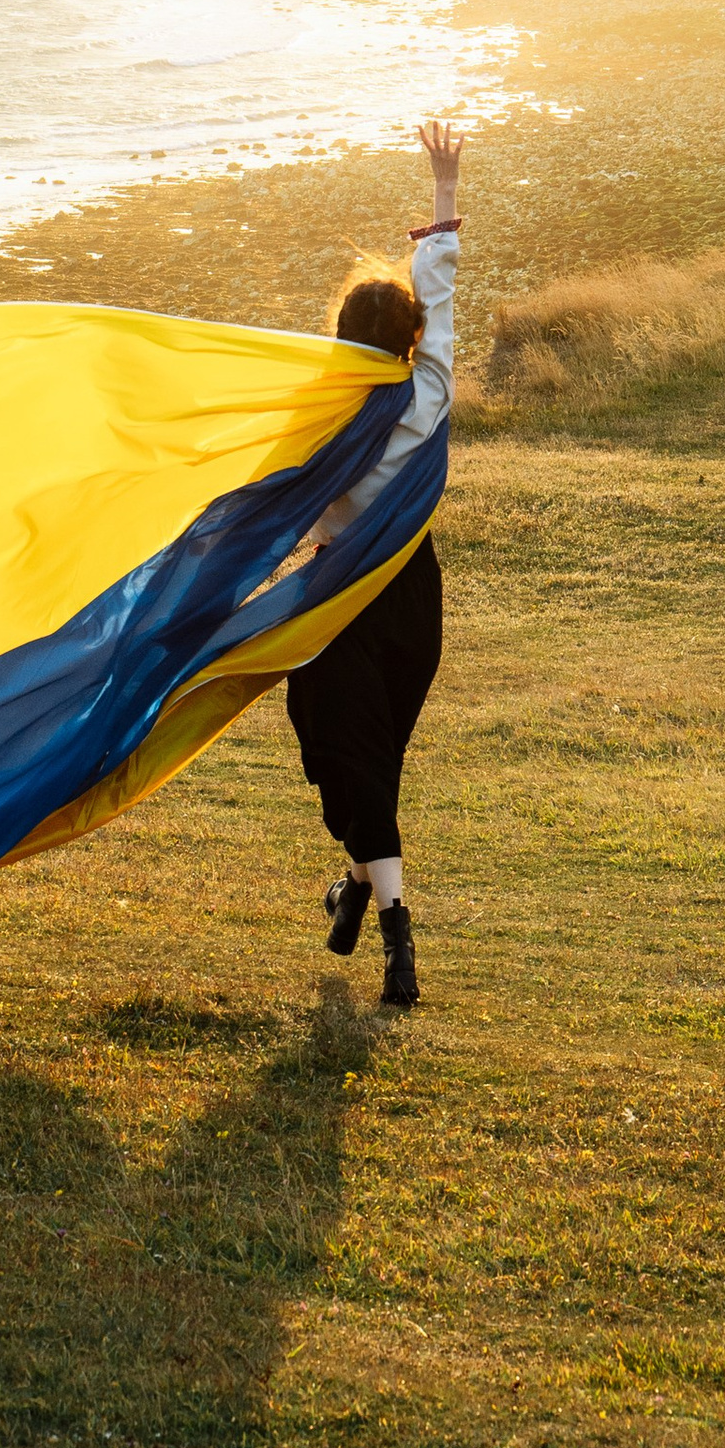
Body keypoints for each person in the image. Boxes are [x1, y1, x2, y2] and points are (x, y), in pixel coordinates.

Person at [284, 118, 462, 1009]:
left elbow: (281, 516)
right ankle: (358, 890)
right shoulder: (427, 397)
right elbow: (441, 296)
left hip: (342, 605)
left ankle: (398, 938)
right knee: (371, 766)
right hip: (414, 605)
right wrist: (443, 192)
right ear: (408, 345)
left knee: (339, 753)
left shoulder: (321, 423)